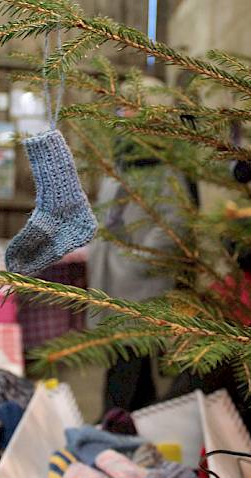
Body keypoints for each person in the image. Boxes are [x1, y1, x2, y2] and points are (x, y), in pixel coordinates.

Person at [87, 78, 191, 414]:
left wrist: (136, 262)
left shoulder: (162, 169)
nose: (122, 112)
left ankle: (113, 423)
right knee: (131, 360)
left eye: (130, 105)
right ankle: (139, 418)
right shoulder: (121, 161)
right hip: (113, 280)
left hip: (140, 285)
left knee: (126, 363)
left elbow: (175, 226)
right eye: (120, 105)